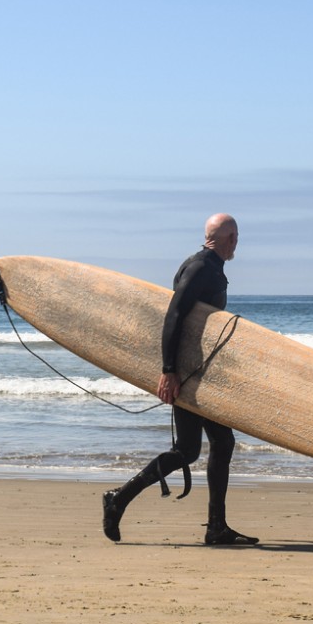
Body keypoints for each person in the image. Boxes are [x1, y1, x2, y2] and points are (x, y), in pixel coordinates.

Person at [102, 213, 258, 545]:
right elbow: (173, 315)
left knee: (190, 449)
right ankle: (213, 526)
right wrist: (169, 371)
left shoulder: (208, 267)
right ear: (228, 238)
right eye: (236, 237)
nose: (237, 243)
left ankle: (121, 498)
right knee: (213, 444)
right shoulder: (201, 268)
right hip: (188, 375)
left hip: (194, 373)